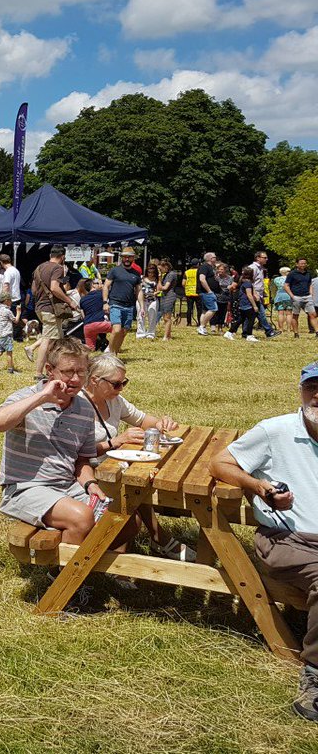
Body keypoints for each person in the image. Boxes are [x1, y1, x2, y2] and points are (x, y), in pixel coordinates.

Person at [209, 362, 318, 721]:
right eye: (311, 387)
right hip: (287, 538)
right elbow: (219, 463)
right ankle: (314, 674)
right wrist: (260, 487)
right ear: (301, 390)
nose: (317, 395)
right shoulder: (276, 431)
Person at [0, 337, 142, 548]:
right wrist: (43, 396)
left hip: (67, 486)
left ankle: (88, 569)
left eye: (82, 372)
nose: (76, 378)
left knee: (128, 521)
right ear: (50, 370)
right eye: (68, 372)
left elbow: (82, 459)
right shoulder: (27, 398)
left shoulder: (84, 409)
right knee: (82, 518)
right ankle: (66, 577)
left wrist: (90, 484)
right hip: (24, 489)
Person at [82, 353, 193, 561]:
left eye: (124, 382)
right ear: (95, 380)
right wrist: (115, 441)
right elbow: (75, 451)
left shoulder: (114, 400)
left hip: (110, 467)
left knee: (136, 484)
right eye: (116, 384)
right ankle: (158, 541)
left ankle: (152, 543)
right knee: (133, 488)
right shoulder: (78, 404)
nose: (121, 388)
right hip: (84, 473)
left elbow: (142, 419)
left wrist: (162, 424)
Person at [28, 246, 80, 380]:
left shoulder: (39, 268)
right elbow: (54, 288)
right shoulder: (57, 268)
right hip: (50, 308)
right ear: (62, 256)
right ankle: (38, 373)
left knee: (57, 340)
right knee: (48, 340)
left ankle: (55, 368)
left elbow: (33, 289)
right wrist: (70, 302)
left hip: (40, 307)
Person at [101, 247, 141, 355]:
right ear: (122, 257)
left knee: (124, 331)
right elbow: (106, 286)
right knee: (117, 330)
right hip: (115, 304)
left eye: (129, 257)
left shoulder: (136, 273)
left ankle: (115, 353)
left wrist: (142, 307)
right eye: (125, 257)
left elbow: (139, 291)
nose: (127, 259)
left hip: (129, 306)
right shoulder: (114, 271)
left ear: (133, 258)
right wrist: (105, 302)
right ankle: (109, 352)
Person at [226, 266, 263, 342]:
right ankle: (249, 335)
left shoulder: (243, 281)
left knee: (241, 319)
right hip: (247, 304)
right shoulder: (248, 283)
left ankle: (229, 332)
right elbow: (249, 295)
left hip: (242, 304)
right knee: (251, 319)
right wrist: (255, 306)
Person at [286, 258, 318, 339]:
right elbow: (286, 285)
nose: (303, 265)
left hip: (307, 297)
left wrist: (311, 293)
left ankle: (317, 332)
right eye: (301, 263)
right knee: (295, 315)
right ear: (297, 264)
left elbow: (310, 283)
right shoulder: (292, 274)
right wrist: (292, 296)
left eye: (304, 263)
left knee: (313, 314)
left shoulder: (308, 273)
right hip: (296, 297)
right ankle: (296, 333)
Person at [77, 278, 111, 351]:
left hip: (88, 326)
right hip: (101, 323)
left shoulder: (82, 300)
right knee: (119, 329)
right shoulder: (102, 294)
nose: (100, 285)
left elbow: (83, 316)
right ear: (93, 285)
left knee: (90, 349)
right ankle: (109, 348)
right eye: (98, 283)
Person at [196, 251, 219, 336]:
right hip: (206, 292)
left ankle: (202, 328)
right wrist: (209, 291)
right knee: (213, 309)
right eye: (215, 257)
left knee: (205, 311)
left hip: (206, 292)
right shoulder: (205, 267)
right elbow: (202, 279)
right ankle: (202, 326)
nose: (216, 259)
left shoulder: (210, 267)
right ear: (210, 258)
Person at [136, 261, 161, 340]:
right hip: (142, 300)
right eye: (149, 272)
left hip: (152, 300)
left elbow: (159, 289)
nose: (151, 274)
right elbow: (138, 288)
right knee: (140, 315)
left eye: (152, 272)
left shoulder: (157, 279)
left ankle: (151, 333)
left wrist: (159, 278)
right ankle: (141, 333)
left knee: (152, 316)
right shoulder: (142, 278)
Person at [157, 258, 179, 341]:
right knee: (165, 317)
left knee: (167, 317)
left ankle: (166, 336)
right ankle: (168, 335)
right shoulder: (166, 274)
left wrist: (159, 278)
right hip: (164, 296)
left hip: (169, 296)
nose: (159, 271)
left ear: (165, 266)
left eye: (160, 269)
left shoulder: (171, 274)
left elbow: (164, 287)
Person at [274, 266, 294, 334]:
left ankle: (280, 329)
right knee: (289, 313)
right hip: (289, 295)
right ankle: (289, 329)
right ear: (286, 272)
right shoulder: (291, 279)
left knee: (280, 313)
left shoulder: (276, 279)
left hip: (279, 296)